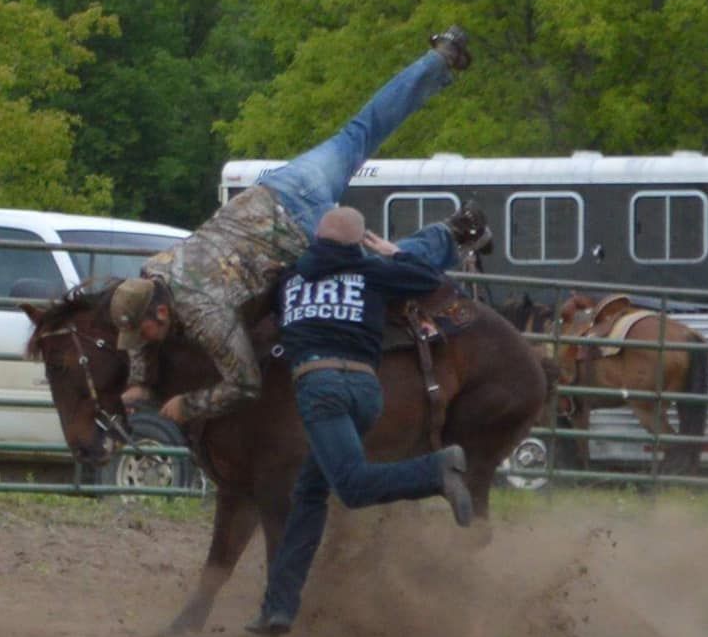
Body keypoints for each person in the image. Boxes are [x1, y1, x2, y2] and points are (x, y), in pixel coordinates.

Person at [109, 26, 488, 427]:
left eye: (144, 333)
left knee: (380, 273)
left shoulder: (207, 318)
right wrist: (138, 378)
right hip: (282, 187)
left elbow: (245, 384)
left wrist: (190, 405)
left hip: (300, 233)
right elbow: (140, 309)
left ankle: (454, 233)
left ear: (163, 313)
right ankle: (442, 56)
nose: (143, 341)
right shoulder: (155, 269)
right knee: (362, 129)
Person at [245, 206, 473, 637]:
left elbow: (267, 316)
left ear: (317, 239)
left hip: (320, 385)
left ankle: (436, 471)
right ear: (357, 244)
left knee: (350, 486)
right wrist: (392, 253)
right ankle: (278, 610)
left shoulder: (291, 278)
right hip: (367, 390)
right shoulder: (372, 272)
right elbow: (432, 282)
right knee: (309, 493)